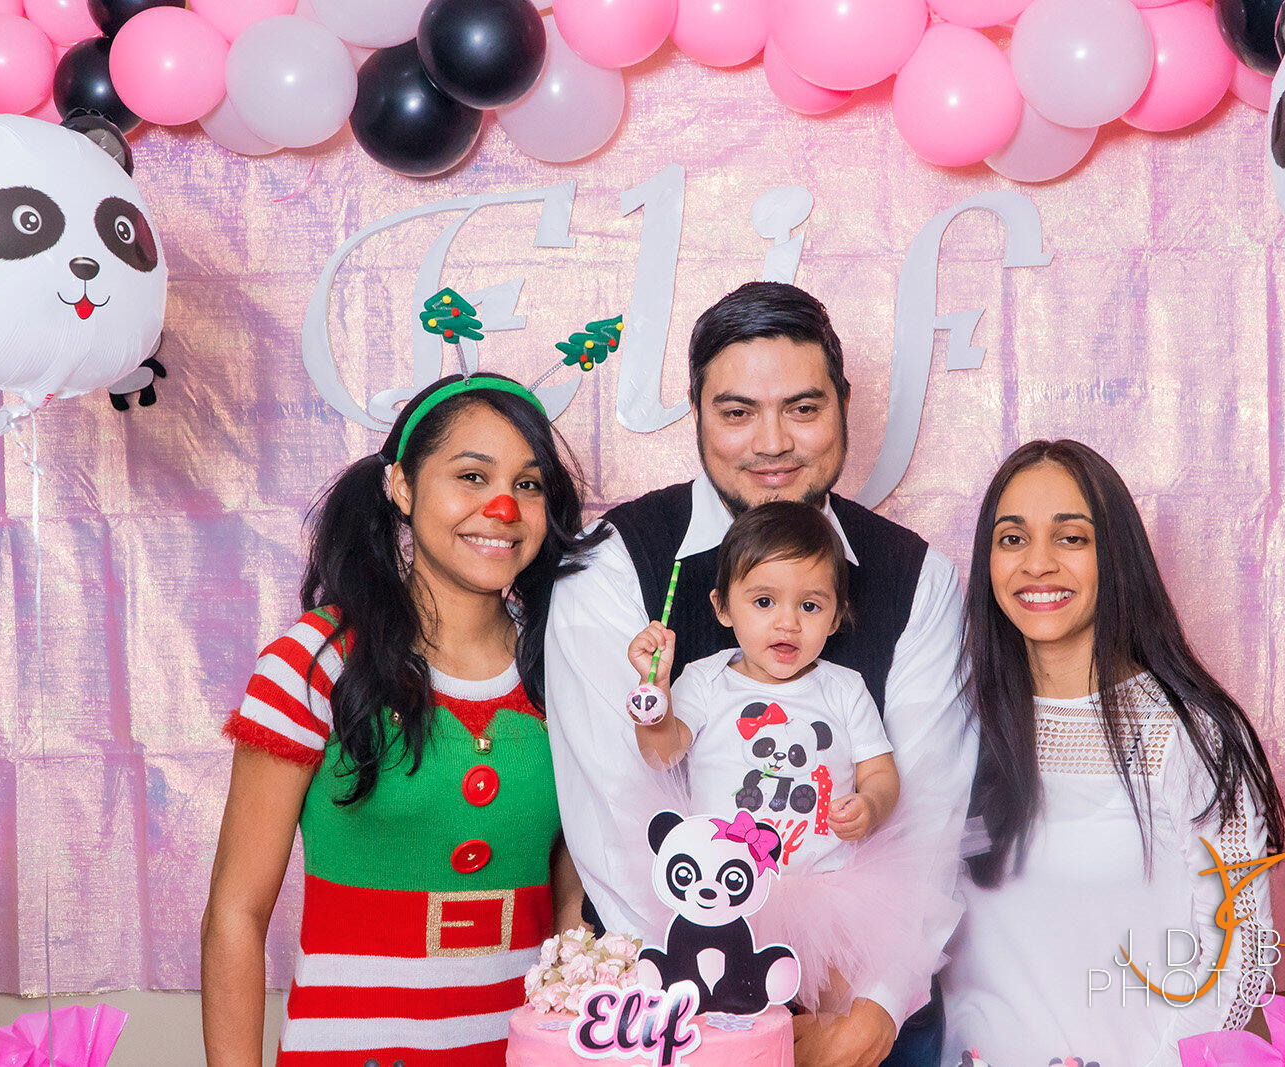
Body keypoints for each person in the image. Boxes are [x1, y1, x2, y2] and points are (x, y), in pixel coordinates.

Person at [545, 282, 976, 1067]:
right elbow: (614, 815)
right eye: (738, 411)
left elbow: (931, 810)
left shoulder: (918, 576)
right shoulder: (615, 562)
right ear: (695, 412)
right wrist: (716, 1015)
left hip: (866, 1006)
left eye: (803, 408)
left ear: (844, 406)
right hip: (673, 1003)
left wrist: (873, 1009)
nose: (772, 442)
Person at [200, 373, 603, 1066]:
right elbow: (236, 914)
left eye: (529, 484)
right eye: (471, 476)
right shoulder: (316, 661)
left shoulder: (564, 665)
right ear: (402, 487)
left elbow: (575, 895)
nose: (503, 507)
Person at [941, 439, 1285, 1067]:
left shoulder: (1191, 733)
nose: (1037, 563)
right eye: (1012, 539)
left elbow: (1242, 952)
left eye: (1071, 538)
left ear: (1116, 555)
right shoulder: (955, 724)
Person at [628, 501, 956, 1019]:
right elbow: (660, 753)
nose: (787, 622)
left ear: (836, 615)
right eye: (763, 601)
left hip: (826, 891)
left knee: (826, 1016)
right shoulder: (706, 681)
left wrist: (871, 805)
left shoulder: (844, 690)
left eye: (810, 606)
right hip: (725, 889)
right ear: (722, 607)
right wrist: (655, 696)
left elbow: (879, 771)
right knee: (726, 1011)